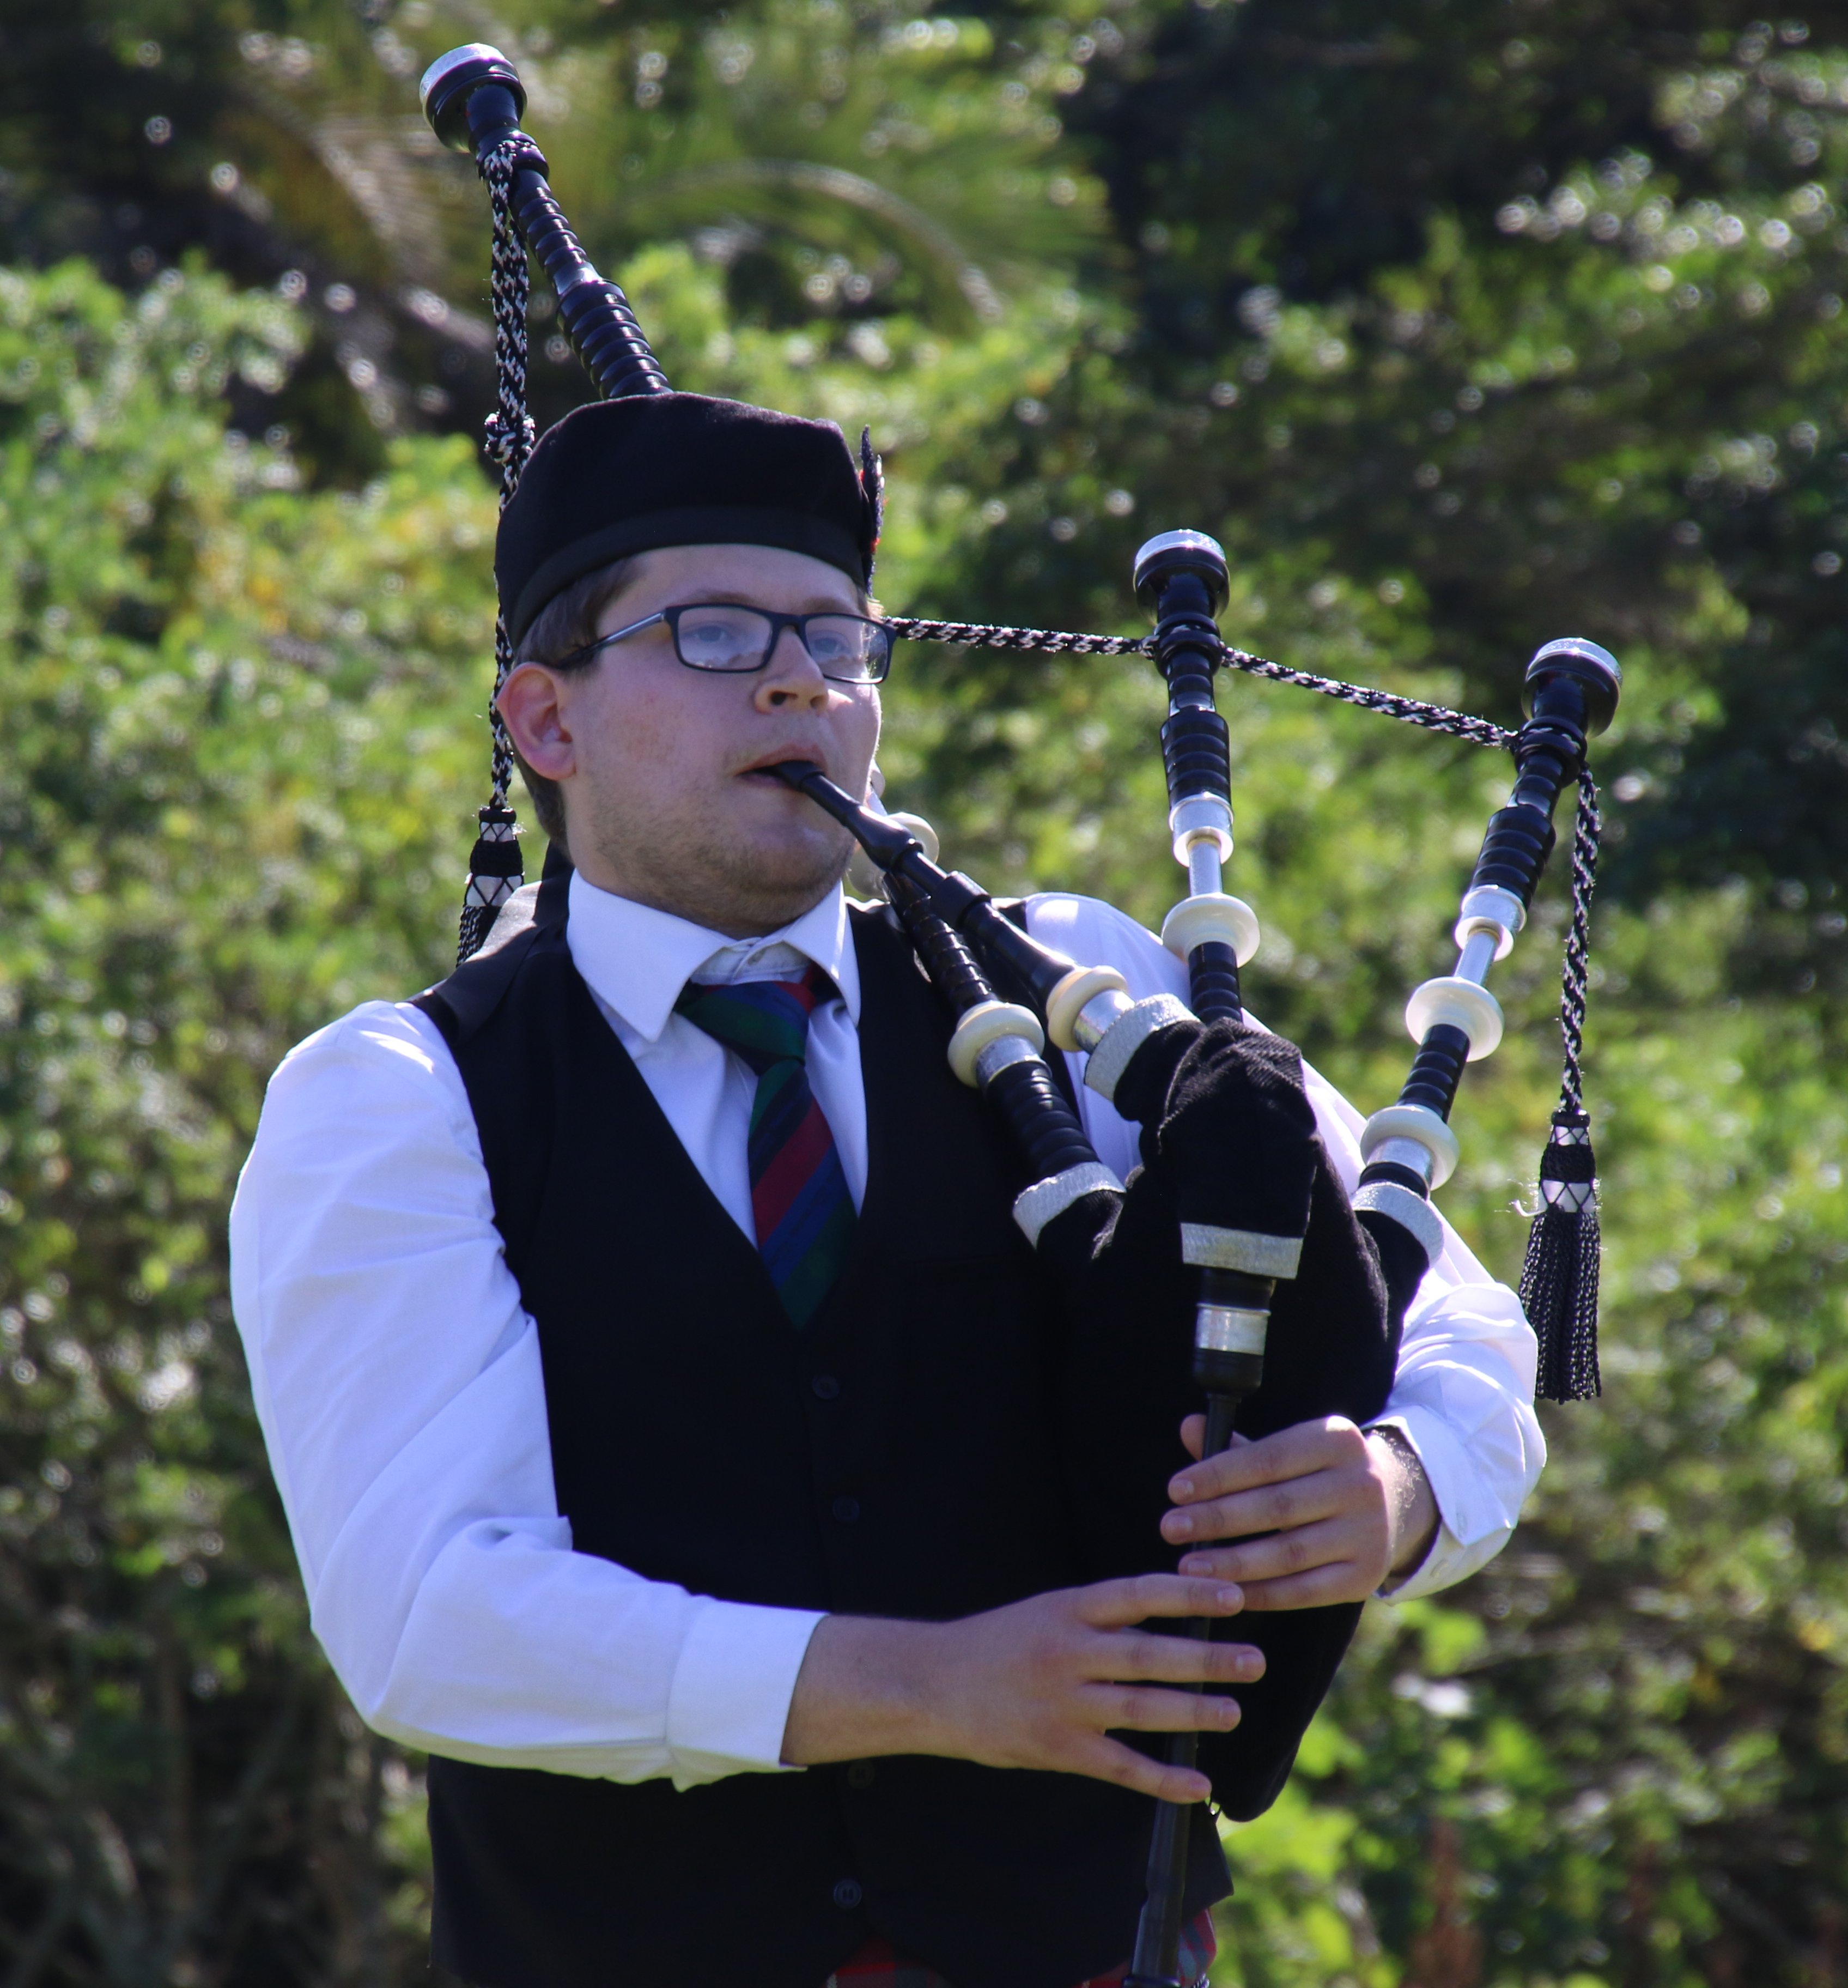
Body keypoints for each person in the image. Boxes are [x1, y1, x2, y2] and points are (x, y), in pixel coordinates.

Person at [230, 393, 1543, 1988]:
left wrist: (1399, 1488)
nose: (798, 679)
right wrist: (926, 1685)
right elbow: (432, 1615)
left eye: (837, 640)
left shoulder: (1082, 994)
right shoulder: (399, 1102)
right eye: (712, 635)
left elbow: (1456, 1318)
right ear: (545, 723)